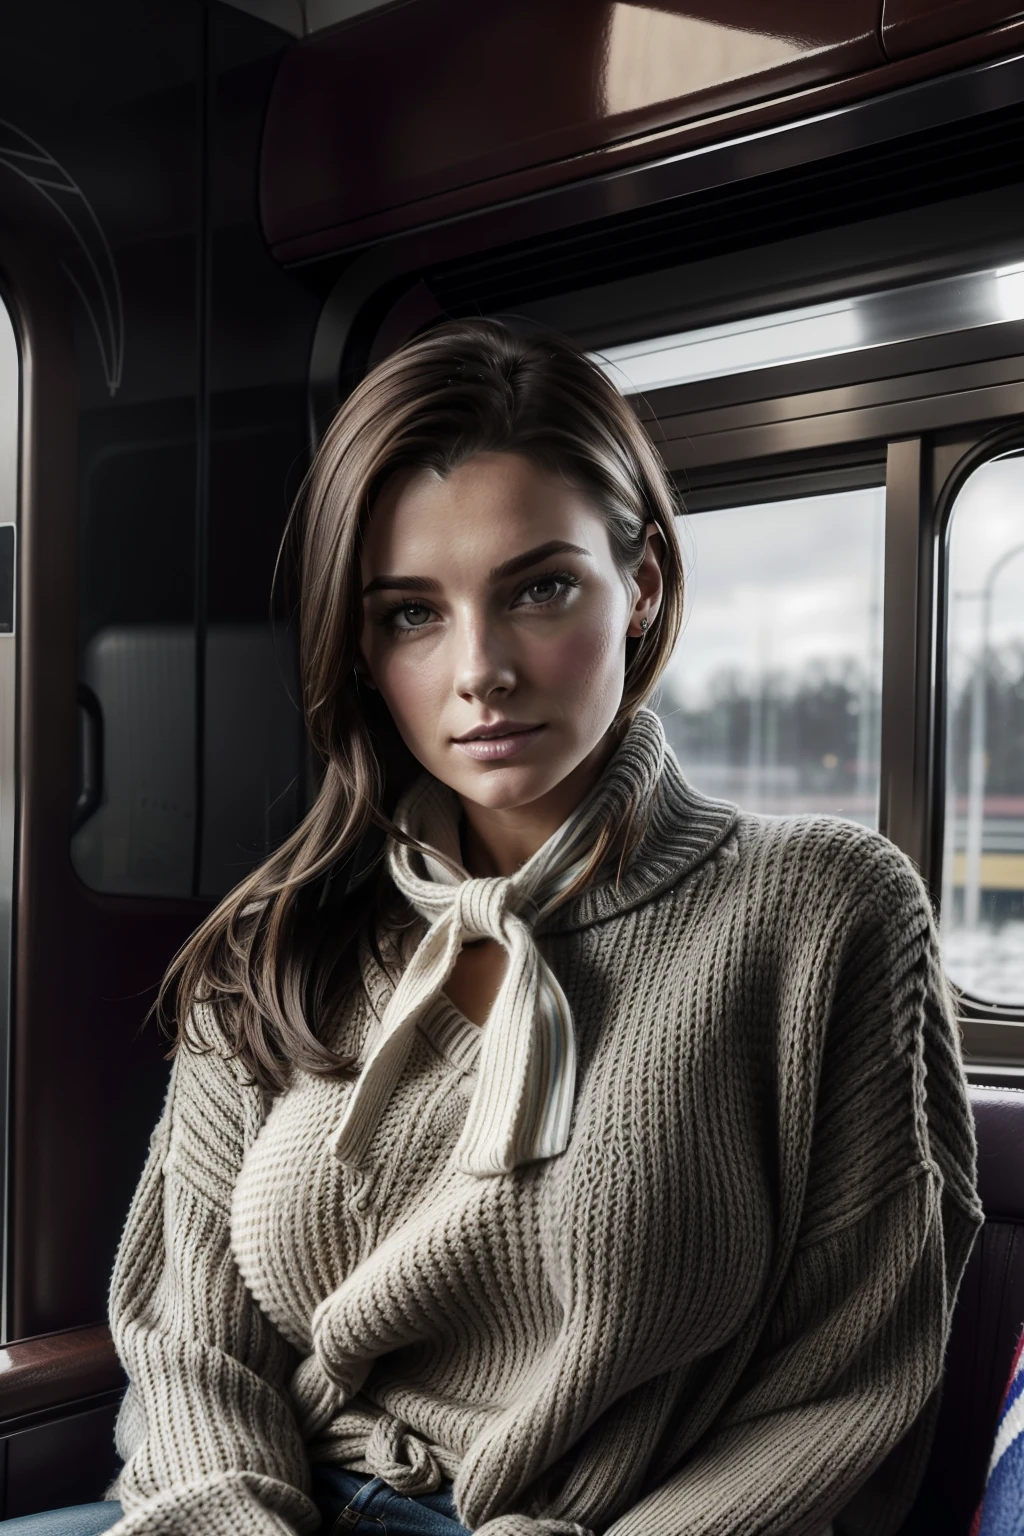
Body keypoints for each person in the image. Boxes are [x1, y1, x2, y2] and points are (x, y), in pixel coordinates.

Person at [3, 319, 982, 1536]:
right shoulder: (278, 939)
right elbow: (193, 1347)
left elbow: (843, 1387)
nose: (480, 670)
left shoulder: (826, 910)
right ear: (361, 648)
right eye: (412, 613)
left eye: (538, 587)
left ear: (643, 586)